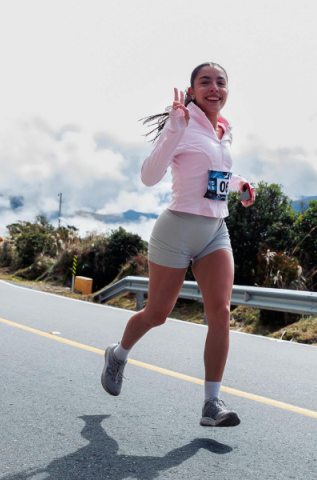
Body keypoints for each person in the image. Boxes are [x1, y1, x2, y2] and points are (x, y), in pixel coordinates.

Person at [101, 63, 257, 427]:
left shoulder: (224, 129)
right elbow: (149, 176)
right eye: (205, 82)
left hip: (215, 231)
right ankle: (119, 354)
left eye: (221, 82)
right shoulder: (182, 125)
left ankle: (212, 404)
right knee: (157, 314)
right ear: (192, 90)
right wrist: (174, 129)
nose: (214, 88)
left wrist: (239, 185)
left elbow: (215, 173)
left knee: (220, 313)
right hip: (176, 230)